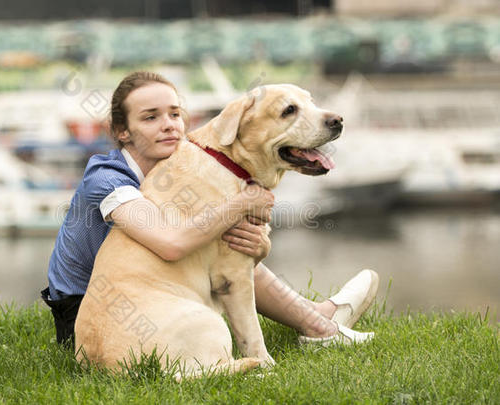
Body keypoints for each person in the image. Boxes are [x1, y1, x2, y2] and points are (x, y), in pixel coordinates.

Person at [41, 71, 378, 348]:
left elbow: (213, 252)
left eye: (175, 113)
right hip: (92, 316)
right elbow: (171, 244)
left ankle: (316, 318)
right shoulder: (108, 179)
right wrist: (242, 203)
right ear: (121, 132)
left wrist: (260, 246)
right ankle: (318, 322)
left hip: (155, 296)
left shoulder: (181, 170)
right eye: (151, 117)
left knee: (227, 244)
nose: (170, 124)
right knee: (217, 241)